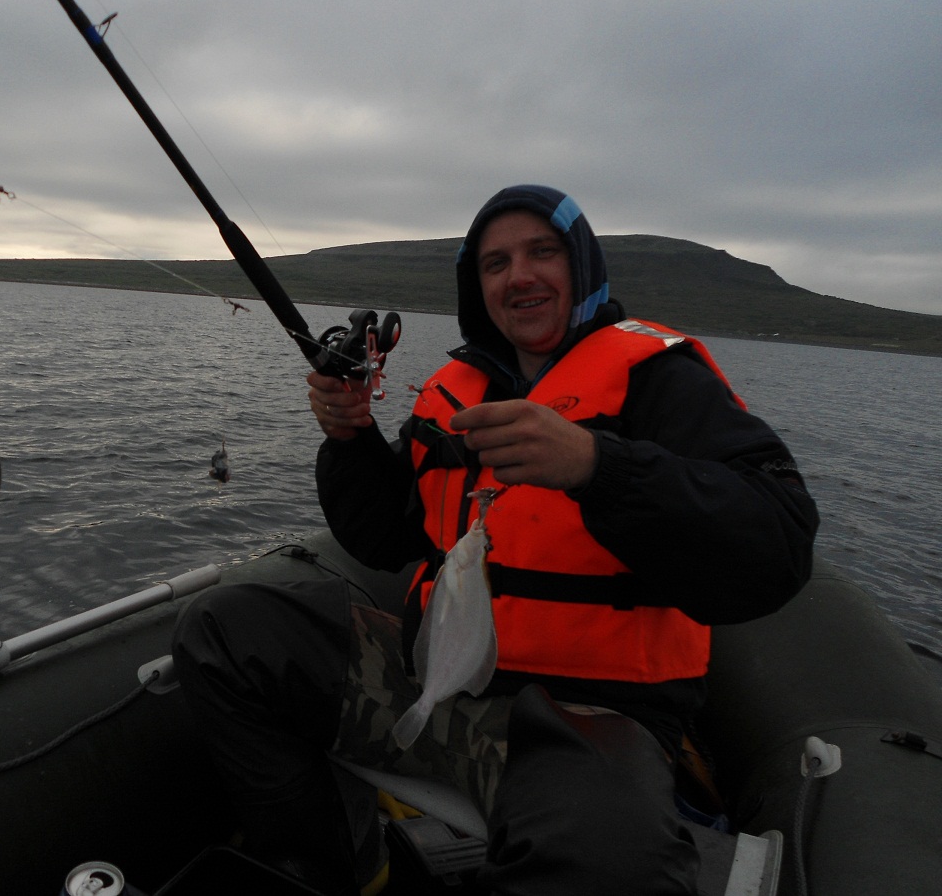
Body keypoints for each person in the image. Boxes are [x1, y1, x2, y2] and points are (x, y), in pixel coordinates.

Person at [173, 184, 819, 895]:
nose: (519, 275)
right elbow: (382, 538)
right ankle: (336, 872)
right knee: (226, 627)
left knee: (608, 865)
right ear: (476, 286)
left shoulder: (661, 379)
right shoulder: (454, 388)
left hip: (589, 719)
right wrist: (351, 439)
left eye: (542, 252)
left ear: (583, 265)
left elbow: (776, 547)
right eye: (495, 263)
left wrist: (597, 466)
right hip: (433, 679)